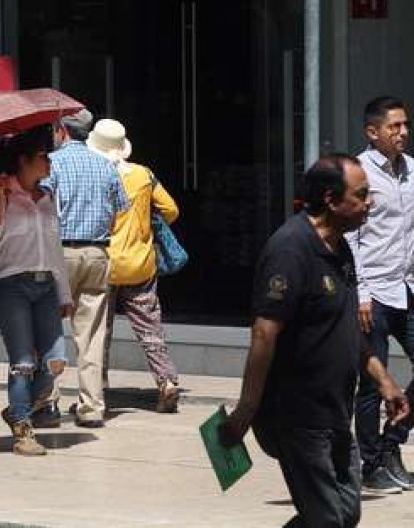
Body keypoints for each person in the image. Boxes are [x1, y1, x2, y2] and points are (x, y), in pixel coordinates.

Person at [221, 155, 411, 528]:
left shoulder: (341, 250)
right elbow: (264, 333)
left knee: (344, 515)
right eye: (361, 195)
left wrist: (383, 378)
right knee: (326, 521)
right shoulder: (290, 250)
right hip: (297, 415)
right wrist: (247, 409)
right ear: (331, 198)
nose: (369, 202)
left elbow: (346, 326)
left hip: (336, 409)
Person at [0, 129, 72, 455]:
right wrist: (2, 200)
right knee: (22, 361)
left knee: (56, 361)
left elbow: (54, 249)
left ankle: (18, 409)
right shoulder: (0, 191)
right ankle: (22, 431)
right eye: (42, 156)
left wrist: (65, 295)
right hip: (9, 284)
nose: (48, 161)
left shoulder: (47, 197)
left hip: (45, 284)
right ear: (24, 161)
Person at [39, 109, 129, 429]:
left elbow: (42, 202)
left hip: (60, 251)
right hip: (98, 252)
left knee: (49, 328)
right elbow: (121, 211)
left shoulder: (53, 163)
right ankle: (92, 406)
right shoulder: (106, 166)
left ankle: (48, 401)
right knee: (91, 333)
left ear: (62, 130)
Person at [85, 119, 181, 413]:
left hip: (106, 264)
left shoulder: (95, 175)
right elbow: (171, 210)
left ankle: (96, 389)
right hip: (140, 264)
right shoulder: (143, 174)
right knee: (150, 327)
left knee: (101, 329)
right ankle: (167, 381)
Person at [345, 96, 414, 492]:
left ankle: (393, 443)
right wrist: (361, 293)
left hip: (406, 286)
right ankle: (371, 467)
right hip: (374, 292)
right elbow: (351, 237)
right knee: (372, 382)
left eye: (405, 125)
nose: (402, 132)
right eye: (394, 126)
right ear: (373, 132)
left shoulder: (411, 171)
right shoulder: (359, 173)